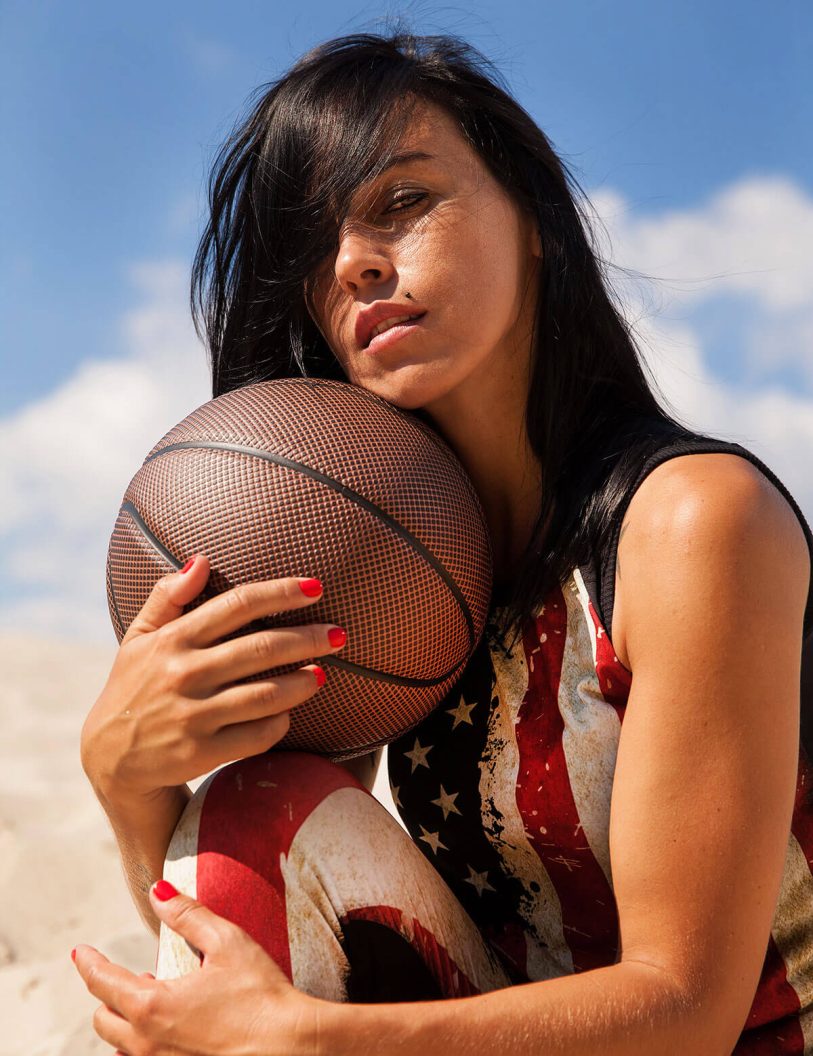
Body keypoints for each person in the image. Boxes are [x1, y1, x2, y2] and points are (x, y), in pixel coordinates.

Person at [72, 31, 813, 1055]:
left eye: (403, 200)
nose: (353, 263)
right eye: (315, 250)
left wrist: (311, 1042)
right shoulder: (390, 574)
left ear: (534, 219)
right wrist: (129, 787)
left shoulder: (692, 520)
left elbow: (688, 1007)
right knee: (261, 799)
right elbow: (260, 919)